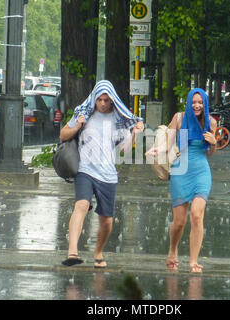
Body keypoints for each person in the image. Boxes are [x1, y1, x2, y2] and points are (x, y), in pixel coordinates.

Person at [60, 80, 144, 268]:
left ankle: (98, 251)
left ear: (112, 100)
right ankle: (72, 252)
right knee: (81, 205)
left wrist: (134, 134)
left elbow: (124, 150)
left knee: (106, 221)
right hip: (85, 170)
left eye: (106, 100)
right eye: (99, 99)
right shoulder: (84, 113)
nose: (103, 103)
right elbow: (63, 135)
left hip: (108, 175)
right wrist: (77, 126)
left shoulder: (118, 119)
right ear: (94, 99)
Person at [146, 88, 216, 273]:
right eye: (194, 102)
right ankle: (172, 250)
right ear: (188, 102)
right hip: (180, 170)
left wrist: (214, 142)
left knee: (196, 214)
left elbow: (210, 153)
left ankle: (194, 261)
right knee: (179, 222)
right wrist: (157, 151)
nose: (197, 105)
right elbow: (167, 144)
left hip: (201, 171)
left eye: (200, 102)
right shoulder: (178, 118)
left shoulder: (211, 122)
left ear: (205, 104)